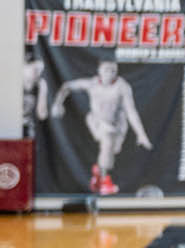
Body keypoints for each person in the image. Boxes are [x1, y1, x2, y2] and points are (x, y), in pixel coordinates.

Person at [50, 58, 151, 196]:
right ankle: (104, 180)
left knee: (112, 151)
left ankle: (98, 174)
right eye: (106, 70)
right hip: (97, 122)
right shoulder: (91, 83)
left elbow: (131, 112)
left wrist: (141, 134)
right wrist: (57, 103)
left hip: (118, 125)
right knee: (107, 142)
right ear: (99, 71)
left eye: (113, 70)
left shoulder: (123, 87)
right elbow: (67, 86)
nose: (110, 73)